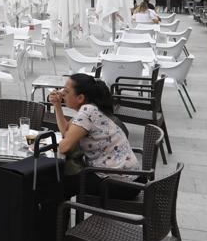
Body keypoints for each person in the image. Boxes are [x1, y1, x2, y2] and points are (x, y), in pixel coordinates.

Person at [48, 73, 142, 201]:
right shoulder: (92, 108)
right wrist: (57, 106)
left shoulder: (87, 111)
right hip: (132, 178)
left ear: (80, 97)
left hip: (120, 184)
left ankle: (56, 219)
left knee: (58, 183)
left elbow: (65, 146)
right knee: (63, 181)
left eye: (66, 91)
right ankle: (60, 218)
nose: (62, 93)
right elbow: (66, 131)